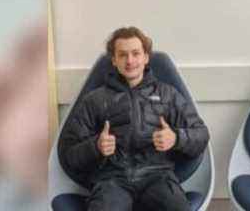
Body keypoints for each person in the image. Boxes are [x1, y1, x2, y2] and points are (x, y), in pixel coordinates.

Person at [57, 27, 209, 211]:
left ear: (146, 57)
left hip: (158, 176)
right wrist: (95, 146)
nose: (130, 61)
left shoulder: (167, 94)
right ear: (114, 60)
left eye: (136, 53)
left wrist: (176, 138)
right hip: (112, 180)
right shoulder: (95, 99)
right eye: (122, 55)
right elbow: (68, 154)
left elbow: (201, 135)